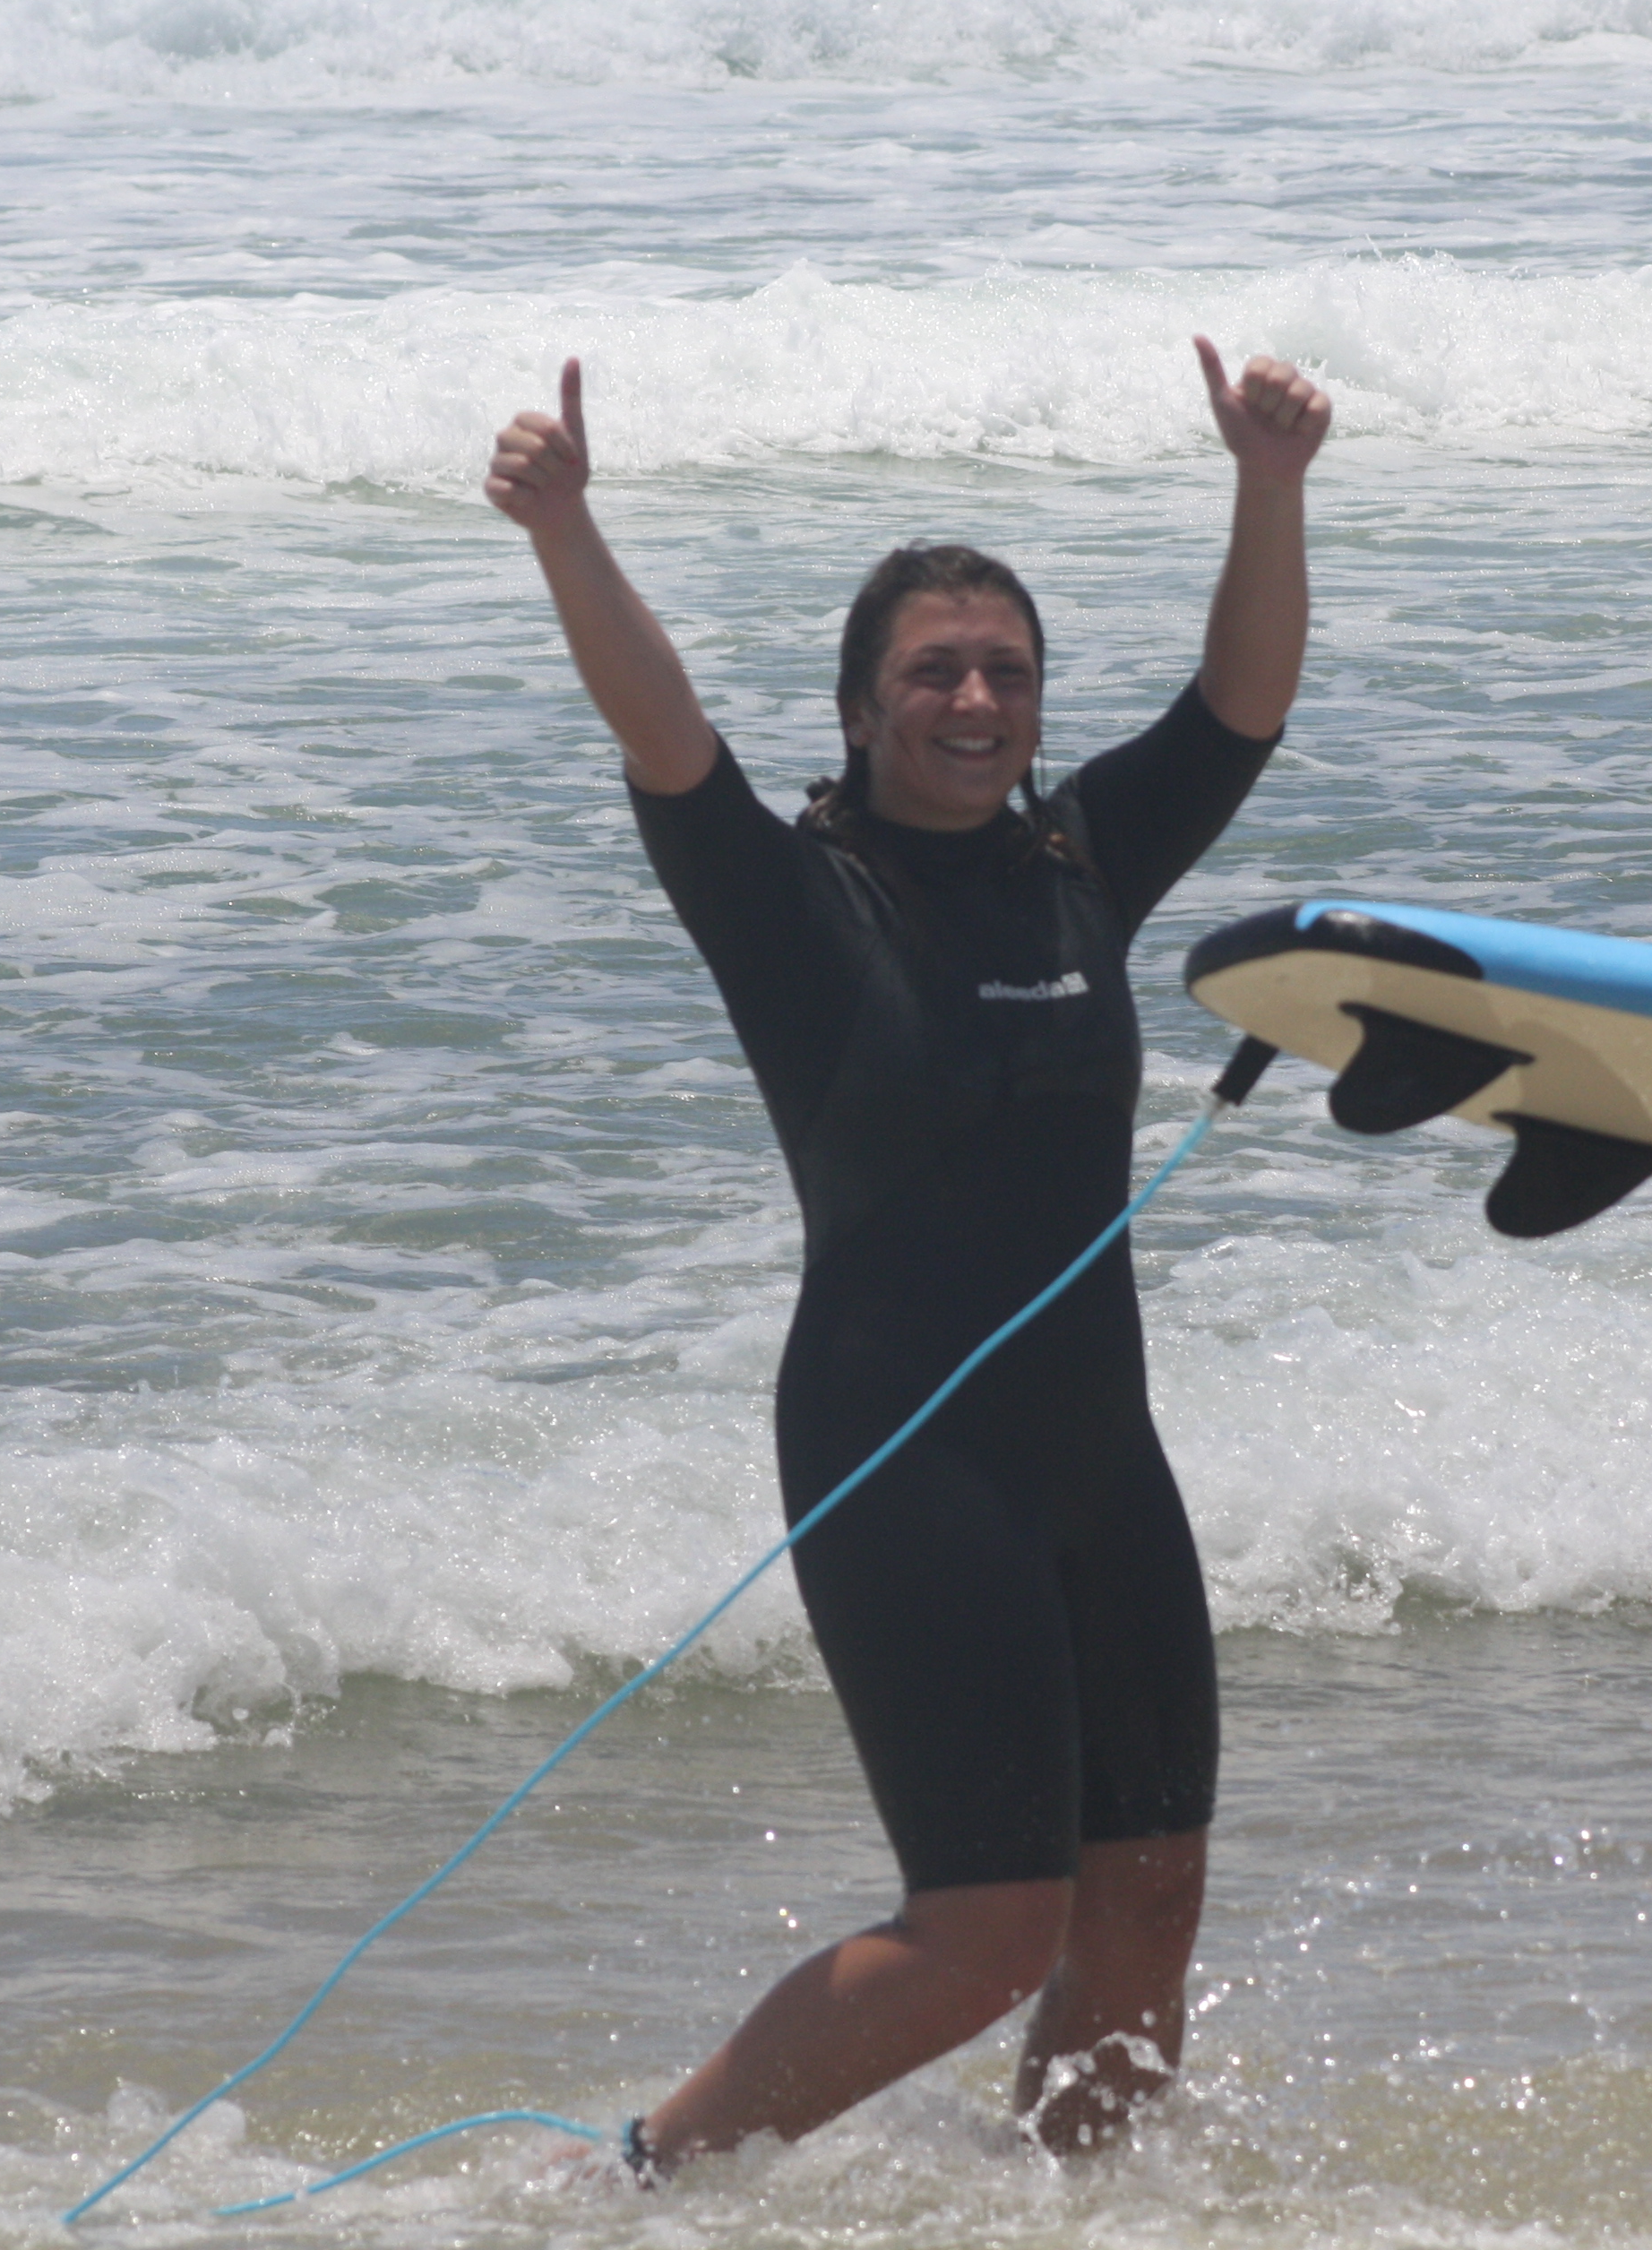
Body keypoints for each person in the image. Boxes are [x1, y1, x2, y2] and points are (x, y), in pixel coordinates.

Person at [484, 336, 1332, 2177]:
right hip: (902, 1456)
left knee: (1154, 1884)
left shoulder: (1079, 860)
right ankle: (647, 2183)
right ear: (862, 709)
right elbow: (664, 732)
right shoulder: (792, 899)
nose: (974, 699)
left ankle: (1068, 2209)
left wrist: (1268, 489)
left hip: (1101, 1455)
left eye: (1005, 672)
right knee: (986, 1924)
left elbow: (1242, 705)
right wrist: (565, 525)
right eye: (932, 673)